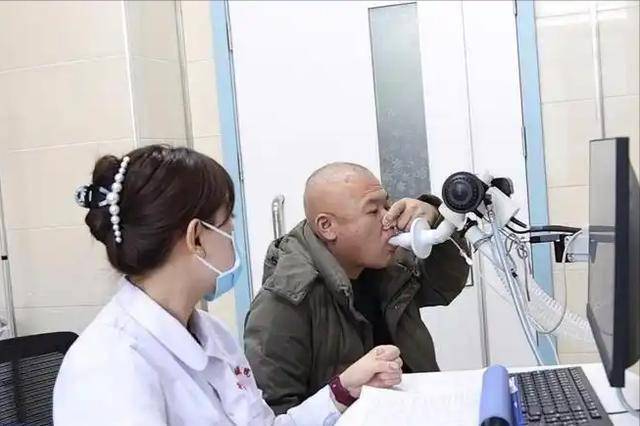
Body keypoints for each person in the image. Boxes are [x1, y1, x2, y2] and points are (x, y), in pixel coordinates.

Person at [53, 146, 403, 425]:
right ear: (196, 237)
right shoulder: (109, 365)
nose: (233, 233)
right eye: (227, 222)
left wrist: (343, 390)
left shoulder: (212, 335)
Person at [244, 162, 470, 414]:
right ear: (327, 227)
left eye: (387, 205)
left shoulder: (389, 264)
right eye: (373, 211)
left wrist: (435, 218)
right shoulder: (284, 303)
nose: (389, 220)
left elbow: (445, 286)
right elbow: (273, 412)